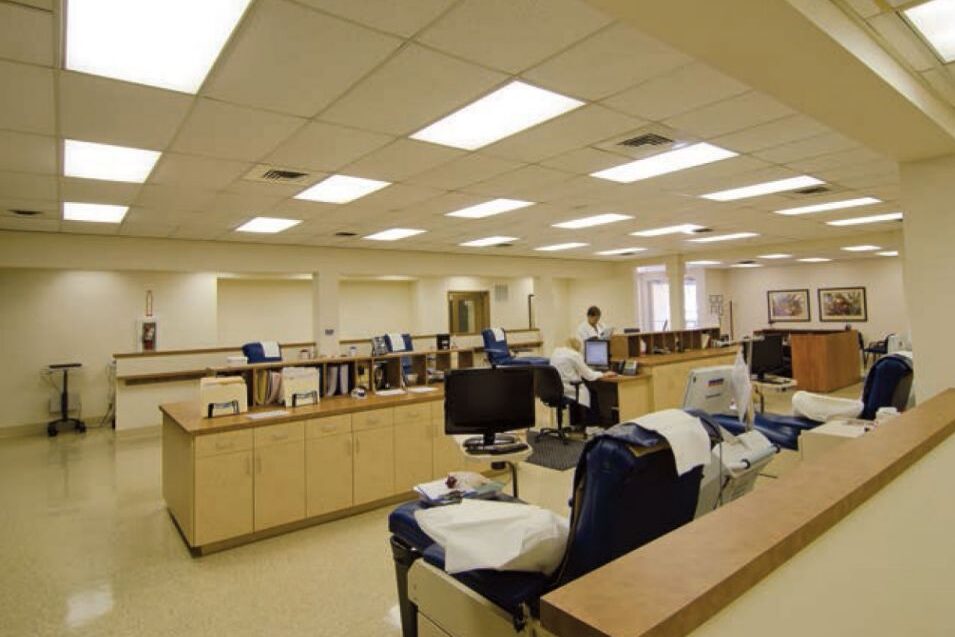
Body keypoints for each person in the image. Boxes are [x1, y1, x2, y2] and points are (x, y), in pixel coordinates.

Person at [550, 337, 617, 425]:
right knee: (592, 393)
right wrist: (603, 374)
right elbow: (589, 376)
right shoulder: (574, 355)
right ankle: (592, 426)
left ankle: (575, 424)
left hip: (556, 390)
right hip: (570, 389)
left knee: (586, 391)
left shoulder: (556, 352)